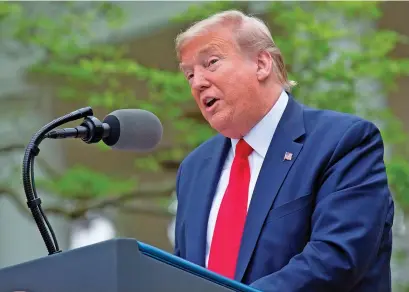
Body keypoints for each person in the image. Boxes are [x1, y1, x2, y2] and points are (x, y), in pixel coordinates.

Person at [173, 10, 394, 292]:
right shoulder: (194, 169)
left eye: (211, 63)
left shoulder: (343, 141)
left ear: (262, 63)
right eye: (189, 74)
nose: (197, 82)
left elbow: (336, 259)